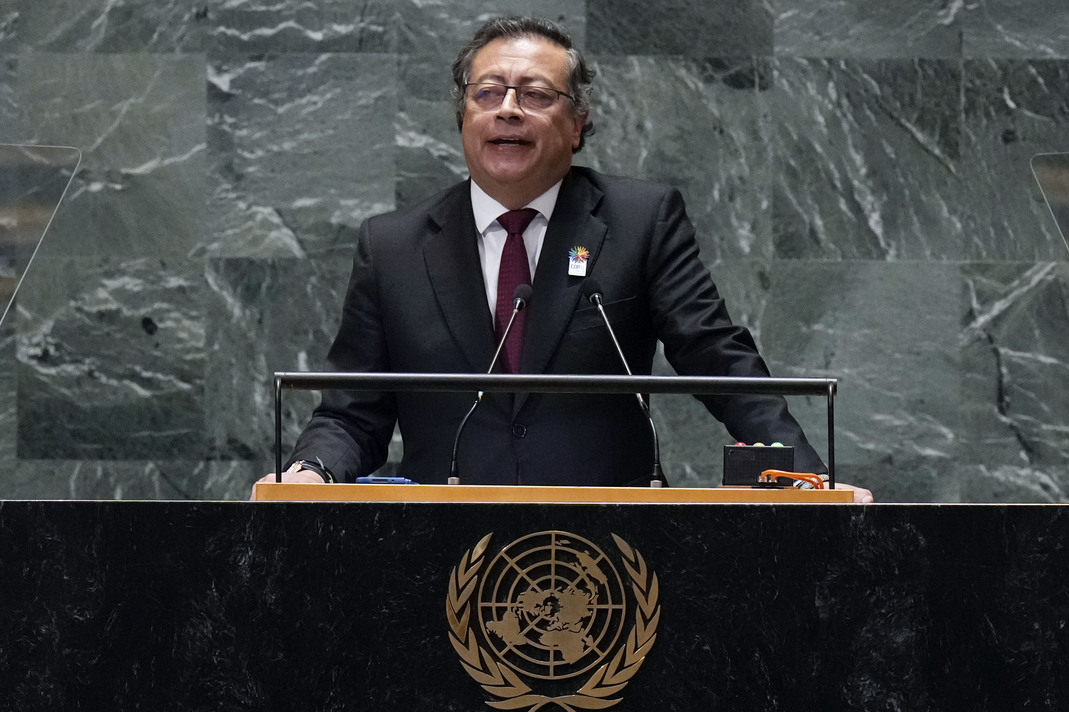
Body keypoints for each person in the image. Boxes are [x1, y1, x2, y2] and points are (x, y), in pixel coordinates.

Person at [253, 16, 872, 502]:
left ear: (578, 124)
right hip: (442, 548)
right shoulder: (393, 246)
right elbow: (352, 412)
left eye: (535, 94)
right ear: (463, 116)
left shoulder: (639, 221)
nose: (508, 108)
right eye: (487, 92)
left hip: (610, 549)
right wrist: (310, 472)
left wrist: (805, 476)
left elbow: (718, 359)